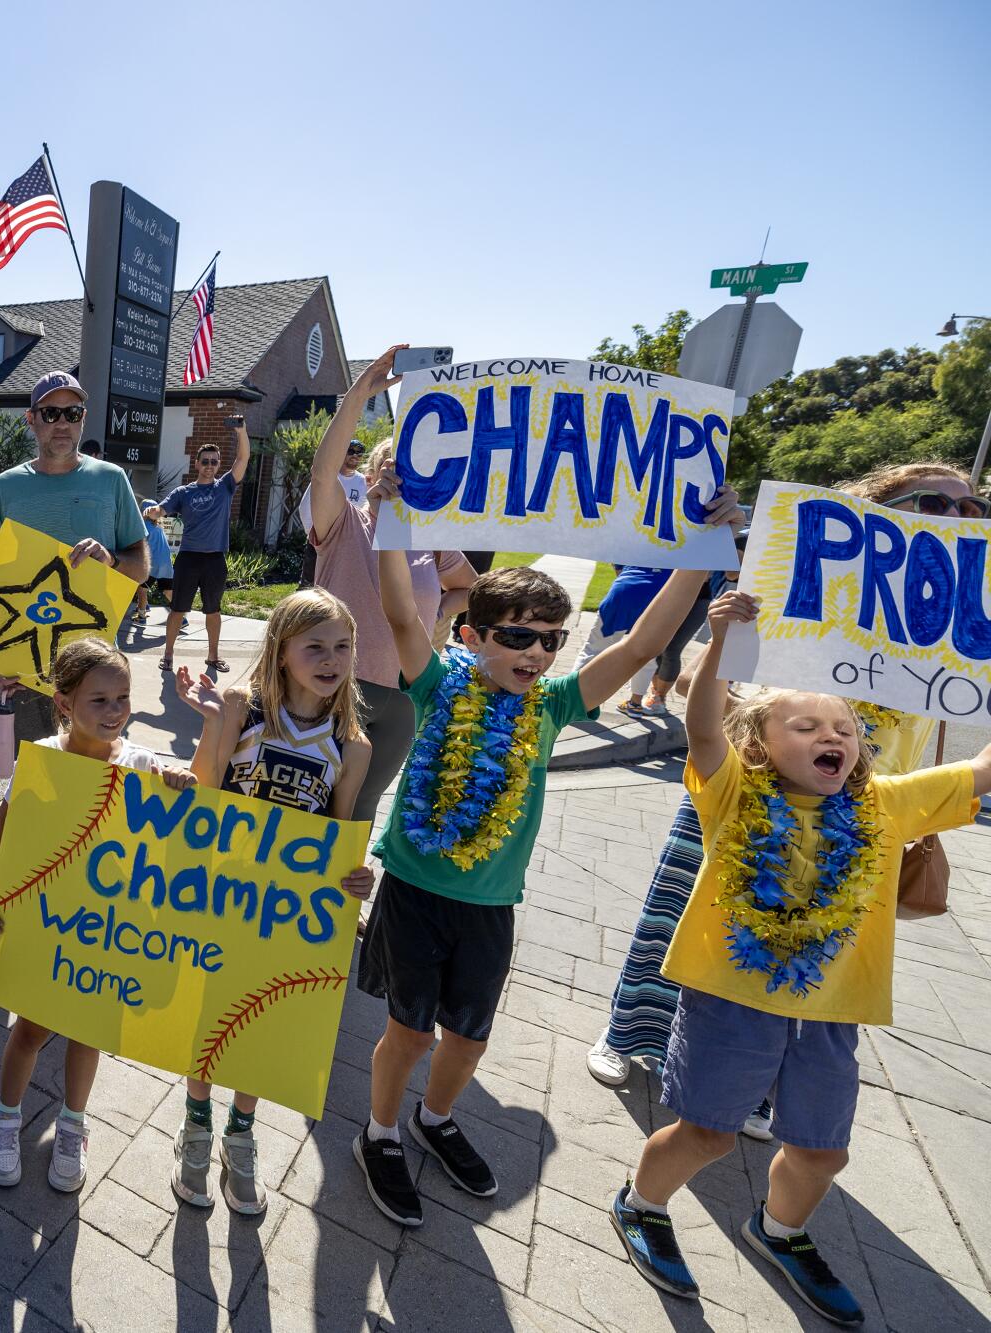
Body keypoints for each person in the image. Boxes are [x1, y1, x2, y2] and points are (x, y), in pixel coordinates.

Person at [353, 469, 742, 1228]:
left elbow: (644, 642)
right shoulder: (435, 683)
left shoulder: (555, 705)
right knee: (407, 1030)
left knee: (468, 1036)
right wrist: (389, 512)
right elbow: (400, 606)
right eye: (517, 636)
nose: (536, 651)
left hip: (491, 903)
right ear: (471, 635)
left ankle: (436, 1117)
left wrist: (702, 548)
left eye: (550, 638)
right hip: (413, 889)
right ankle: (380, 1131)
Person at [608, 590, 991, 1327]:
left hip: (831, 1016)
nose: (833, 735)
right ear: (760, 744)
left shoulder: (885, 803)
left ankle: (779, 1229)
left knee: (822, 1151)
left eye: (843, 728)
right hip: (730, 998)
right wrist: (722, 641)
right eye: (808, 725)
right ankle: (642, 1202)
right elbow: (702, 727)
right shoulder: (734, 792)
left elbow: (979, 770)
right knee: (709, 1132)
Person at [587, 460, 973, 1115]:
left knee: (808, 935)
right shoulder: (818, 581)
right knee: (686, 911)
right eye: (938, 500)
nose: (959, 517)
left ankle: (758, 1083)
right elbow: (714, 670)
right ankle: (631, 1029)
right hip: (750, 785)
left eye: (974, 507)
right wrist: (732, 547)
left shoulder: (961, 609)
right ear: (881, 509)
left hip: (855, 809)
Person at [169, 589, 377, 1213]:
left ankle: (242, 1134)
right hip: (223, 896)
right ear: (282, 652)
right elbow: (206, 788)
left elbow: (341, 836)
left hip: (286, 914)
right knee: (212, 1016)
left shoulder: (353, 744)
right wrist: (209, 726)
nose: (330, 658)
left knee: (260, 1021)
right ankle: (196, 1125)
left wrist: (357, 877)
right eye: (314, 645)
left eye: (342, 646)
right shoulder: (242, 706)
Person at [0, 639, 196, 1194]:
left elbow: (185, 808)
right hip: (51, 928)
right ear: (65, 701)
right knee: (30, 1029)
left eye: (123, 698)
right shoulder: (42, 757)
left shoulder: (141, 764)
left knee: (89, 1031)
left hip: (109, 934)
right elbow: (5, 825)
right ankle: (5, 1117)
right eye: (100, 700)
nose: (115, 711)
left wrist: (179, 782)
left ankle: (73, 1125)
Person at [304, 348, 475, 821]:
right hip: (333, 687)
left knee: (361, 808)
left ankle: (340, 894)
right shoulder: (345, 523)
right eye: (394, 469)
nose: (403, 480)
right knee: (311, 801)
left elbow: (472, 589)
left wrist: (439, 611)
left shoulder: (433, 542)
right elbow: (322, 474)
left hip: (402, 699)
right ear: (377, 474)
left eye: (415, 470)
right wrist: (361, 392)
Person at [0, 371, 150, 742]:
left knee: (93, 783)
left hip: (96, 671)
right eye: (51, 413)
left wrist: (113, 562)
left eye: (73, 413)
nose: (63, 423)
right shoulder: (5, 487)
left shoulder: (112, 479)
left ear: (83, 417)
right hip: (24, 668)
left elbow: (141, 570)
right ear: (31, 419)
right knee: (32, 784)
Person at [150, 422, 250, 675]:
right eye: (205, 461)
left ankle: (213, 656)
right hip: (188, 559)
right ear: (196, 464)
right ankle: (168, 653)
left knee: (213, 610)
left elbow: (243, 457)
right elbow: (162, 508)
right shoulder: (184, 492)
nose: (209, 466)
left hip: (215, 560)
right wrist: (153, 511)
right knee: (178, 609)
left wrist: (241, 432)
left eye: (214, 462)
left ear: (218, 465)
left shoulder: (225, 486)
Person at [573, 564, 713, 717]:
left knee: (594, 648)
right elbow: (702, 578)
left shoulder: (643, 541)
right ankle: (635, 703)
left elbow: (618, 568)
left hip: (627, 589)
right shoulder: (684, 547)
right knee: (647, 655)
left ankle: (570, 699)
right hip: (658, 598)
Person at [134, 498, 173, 625]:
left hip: (153, 564)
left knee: (142, 589)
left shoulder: (143, 527)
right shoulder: (158, 527)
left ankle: (141, 615)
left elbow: (140, 546)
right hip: (166, 564)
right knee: (167, 590)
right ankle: (180, 616)